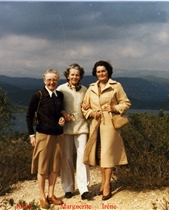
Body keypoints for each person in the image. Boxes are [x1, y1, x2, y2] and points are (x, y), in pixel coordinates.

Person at [82, 60, 131, 201]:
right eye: (98, 71)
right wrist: (91, 113)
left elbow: (126, 103)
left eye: (103, 71)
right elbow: (84, 106)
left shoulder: (116, 86)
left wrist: (114, 108)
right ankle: (103, 184)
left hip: (109, 125)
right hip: (95, 125)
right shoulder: (90, 88)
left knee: (107, 155)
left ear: (108, 71)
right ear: (95, 73)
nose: (101, 73)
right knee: (99, 155)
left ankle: (107, 186)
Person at [26, 69, 66, 209]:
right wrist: (32, 135)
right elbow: (29, 116)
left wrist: (62, 119)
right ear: (44, 81)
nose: (51, 82)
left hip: (58, 135)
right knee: (42, 168)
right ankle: (42, 196)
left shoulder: (60, 95)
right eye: (49, 80)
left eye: (54, 79)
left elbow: (60, 113)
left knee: (55, 166)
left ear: (57, 81)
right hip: (43, 135)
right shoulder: (38, 96)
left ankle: (51, 195)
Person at [57, 63, 92, 200]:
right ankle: (68, 188)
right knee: (66, 158)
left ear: (80, 76)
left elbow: (88, 105)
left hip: (81, 126)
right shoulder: (61, 89)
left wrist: (88, 106)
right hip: (65, 128)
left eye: (77, 74)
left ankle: (84, 189)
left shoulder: (85, 89)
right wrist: (63, 113)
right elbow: (56, 106)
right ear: (67, 76)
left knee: (83, 157)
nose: (75, 77)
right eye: (72, 74)